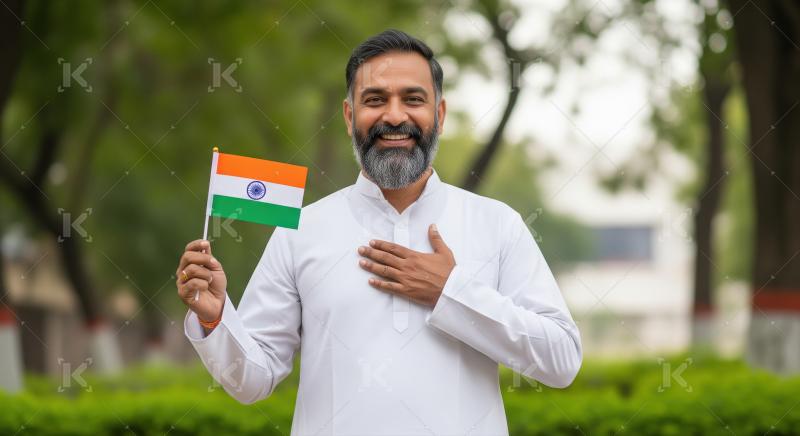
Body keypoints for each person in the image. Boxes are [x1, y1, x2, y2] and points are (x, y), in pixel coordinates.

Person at [176, 29, 581, 435]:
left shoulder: (497, 224)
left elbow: (560, 360)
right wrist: (215, 319)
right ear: (350, 115)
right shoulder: (300, 232)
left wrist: (450, 292)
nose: (394, 116)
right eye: (375, 100)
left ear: (439, 114)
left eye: (413, 99)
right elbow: (253, 381)